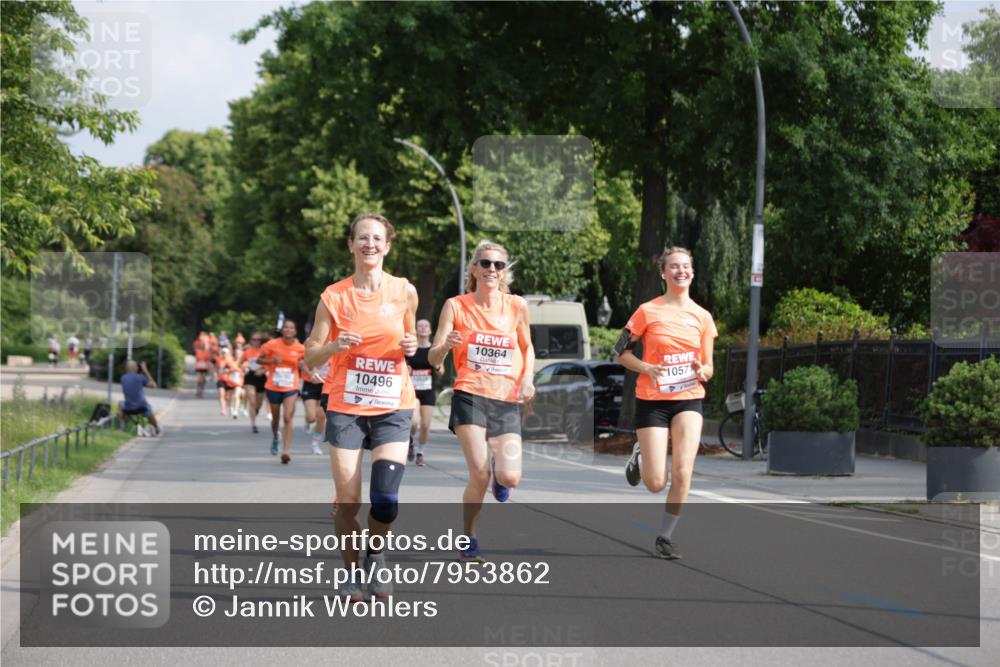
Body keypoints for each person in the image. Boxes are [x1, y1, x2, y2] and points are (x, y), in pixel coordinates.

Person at [305, 212, 418, 603]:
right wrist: (334, 346)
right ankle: (352, 573)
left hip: (393, 405)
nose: (369, 244)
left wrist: (411, 347)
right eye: (362, 238)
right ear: (351, 245)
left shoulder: (405, 291)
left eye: (377, 238)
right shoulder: (333, 297)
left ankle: (375, 553)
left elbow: (409, 339)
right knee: (349, 500)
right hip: (346, 407)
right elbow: (310, 359)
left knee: (385, 500)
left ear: (387, 246)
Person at [428, 240, 535, 562]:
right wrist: (446, 344)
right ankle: (469, 536)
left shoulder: (517, 306)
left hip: (506, 399)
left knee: (510, 477)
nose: (491, 270)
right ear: (473, 269)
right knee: (479, 474)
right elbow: (434, 357)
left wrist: (527, 379)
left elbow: (527, 348)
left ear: (505, 273)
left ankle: (500, 476)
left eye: (498, 265)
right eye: (485, 263)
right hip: (470, 394)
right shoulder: (456, 306)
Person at [614, 247, 717, 561]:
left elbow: (709, 367)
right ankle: (640, 454)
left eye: (686, 266)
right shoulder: (647, 311)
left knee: (684, 472)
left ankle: (666, 536)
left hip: (689, 399)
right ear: (663, 273)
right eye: (674, 266)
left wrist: (704, 371)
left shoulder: (703, 317)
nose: (681, 271)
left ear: (692, 272)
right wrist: (646, 368)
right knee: (656, 483)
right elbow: (620, 352)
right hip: (653, 401)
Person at [258, 319, 306, 463]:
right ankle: (275, 437)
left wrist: (303, 364)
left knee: (287, 417)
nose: (288, 330)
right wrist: (271, 362)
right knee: (276, 419)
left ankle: (286, 450)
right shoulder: (271, 345)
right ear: (282, 330)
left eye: (291, 328)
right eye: (286, 327)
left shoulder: (300, 348)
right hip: (273, 386)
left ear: (295, 331)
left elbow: (306, 362)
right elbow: (259, 360)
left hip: (291, 386)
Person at [406, 318, 441, 467]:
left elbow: (441, 371)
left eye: (426, 326)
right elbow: (402, 367)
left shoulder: (434, 349)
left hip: (427, 390)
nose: (422, 328)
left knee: (426, 425)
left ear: (430, 330)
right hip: (412, 391)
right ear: (416, 329)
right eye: (419, 326)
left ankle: (420, 452)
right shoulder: (410, 349)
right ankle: (411, 442)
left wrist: (438, 367)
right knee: (414, 423)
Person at [118, 360, 160, 434]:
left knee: (120, 403)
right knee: (148, 407)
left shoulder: (123, 378)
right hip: (141, 407)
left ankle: (122, 426)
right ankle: (156, 427)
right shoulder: (140, 377)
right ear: (135, 368)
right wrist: (145, 370)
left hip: (128, 408)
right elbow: (153, 385)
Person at [301, 358, 331, 456]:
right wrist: (311, 373)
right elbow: (303, 364)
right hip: (310, 385)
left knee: (322, 416)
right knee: (311, 418)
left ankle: (315, 444)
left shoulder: (335, 351)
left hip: (326, 386)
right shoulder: (314, 348)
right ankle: (308, 421)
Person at [241, 333, 268, 434]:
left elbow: (271, 364)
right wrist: (244, 368)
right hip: (250, 376)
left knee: (259, 403)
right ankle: (253, 424)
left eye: (258, 340)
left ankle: (256, 410)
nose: (256, 341)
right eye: (254, 339)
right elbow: (240, 362)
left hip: (261, 376)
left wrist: (263, 370)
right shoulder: (247, 351)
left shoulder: (264, 351)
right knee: (252, 401)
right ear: (250, 340)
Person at [216, 347, 244, 418]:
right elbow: (224, 368)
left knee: (236, 396)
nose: (238, 354)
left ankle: (235, 411)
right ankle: (228, 408)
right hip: (230, 380)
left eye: (239, 353)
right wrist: (229, 370)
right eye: (237, 353)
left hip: (239, 380)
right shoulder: (229, 360)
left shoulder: (243, 360)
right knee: (229, 397)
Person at [193, 332, 213, 398]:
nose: (203, 346)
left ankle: (201, 391)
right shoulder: (198, 351)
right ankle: (198, 391)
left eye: (204, 345)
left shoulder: (207, 352)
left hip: (205, 368)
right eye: (202, 345)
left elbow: (209, 361)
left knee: (203, 381)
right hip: (199, 367)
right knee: (199, 380)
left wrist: (210, 371)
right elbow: (196, 360)